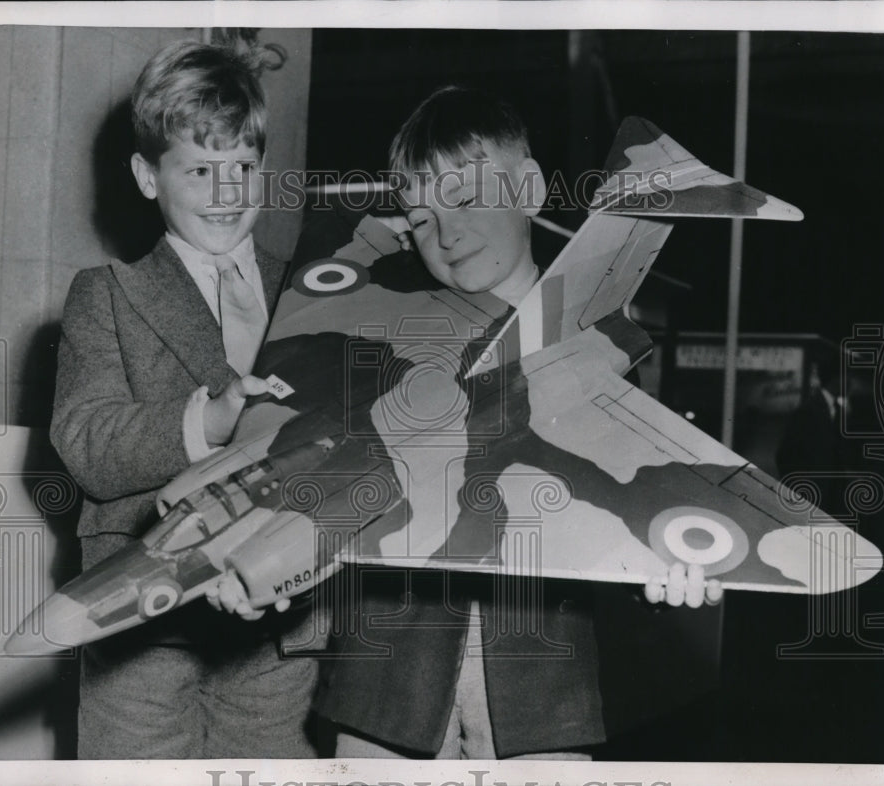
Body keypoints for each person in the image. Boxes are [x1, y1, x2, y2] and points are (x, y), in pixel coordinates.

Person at [307, 86, 721, 759]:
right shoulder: (372, 341)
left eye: (468, 200)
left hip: (546, 706)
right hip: (384, 699)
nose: (446, 234)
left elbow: (632, 506)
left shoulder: (598, 348)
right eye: (419, 216)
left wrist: (670, 576)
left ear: (528, 187)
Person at [50, 40, 316, 759]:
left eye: (243, 168)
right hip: (142, 621)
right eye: (200, 170)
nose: (227, 193)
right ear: (145, 175)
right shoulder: (105, 294)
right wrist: (210, 418)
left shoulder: (307, 288)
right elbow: (88, 444)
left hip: (278, 621)